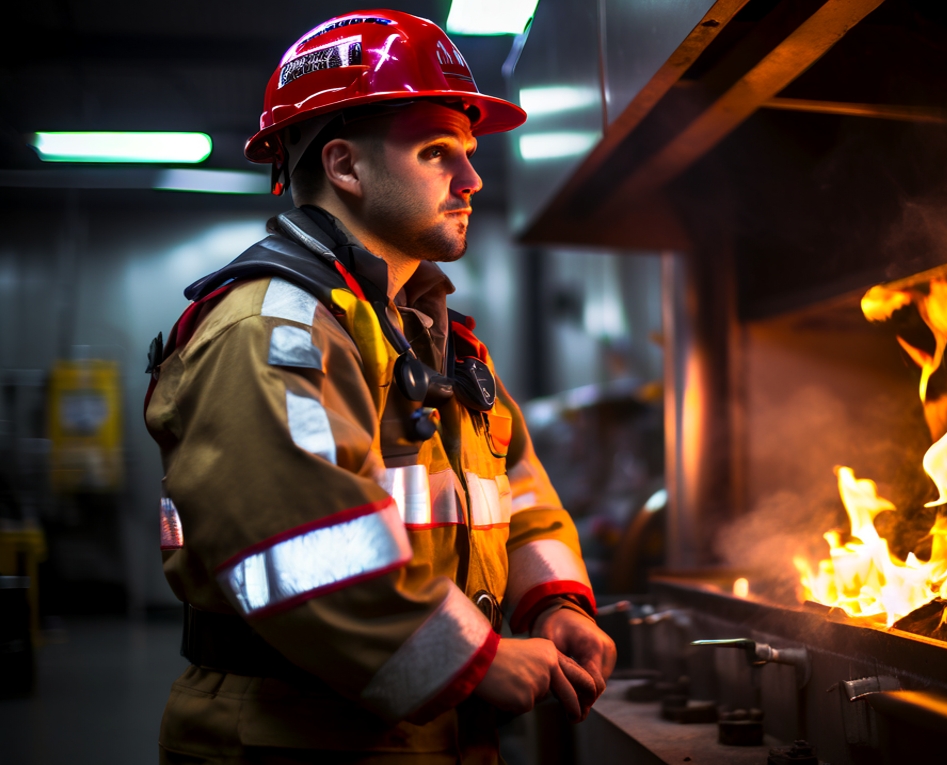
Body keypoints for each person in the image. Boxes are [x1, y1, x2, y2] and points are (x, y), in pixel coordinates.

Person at [145, 10, 616, 764]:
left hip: (426, 726)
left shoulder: (426, 333)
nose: (473, 178)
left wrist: (552, 602)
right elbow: (306, 551)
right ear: (345, 167)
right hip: (298, 734)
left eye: (467, 152)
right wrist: (480, 660)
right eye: (437, 152)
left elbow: (520, 493)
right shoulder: (272, 332)